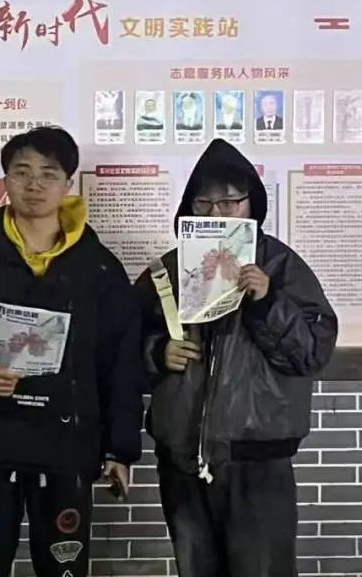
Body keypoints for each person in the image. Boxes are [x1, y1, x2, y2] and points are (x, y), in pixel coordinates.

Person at [0, 126, 143, 577]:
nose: (34, 184)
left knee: (63, 569)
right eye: (21, 172)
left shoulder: (99, 268)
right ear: (5, 181)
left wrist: (120, 448)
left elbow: (120, 361)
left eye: (48, 173)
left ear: (68, 184)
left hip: (67, 449)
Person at [136, 139, 337, 577]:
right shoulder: (166, 270)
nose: (216, 212)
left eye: (229, 201)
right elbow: (122, 348)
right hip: (182, 457)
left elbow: (312, 352)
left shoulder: (281, 266)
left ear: (251, 205)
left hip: (259, 460)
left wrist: (268, 302)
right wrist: (156, 352)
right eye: (204, 202)